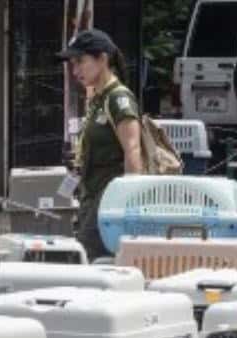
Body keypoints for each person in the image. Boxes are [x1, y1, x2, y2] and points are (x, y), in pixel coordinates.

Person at [58, 29, 143, 260]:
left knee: (86, 257)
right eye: (73, 64)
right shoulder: (97, 99)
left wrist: (127, 204)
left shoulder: (118, 98)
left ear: (102, 59)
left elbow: (133, 150)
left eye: (80, 62)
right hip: (91, 196)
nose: (75, 71)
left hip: (110, 200)